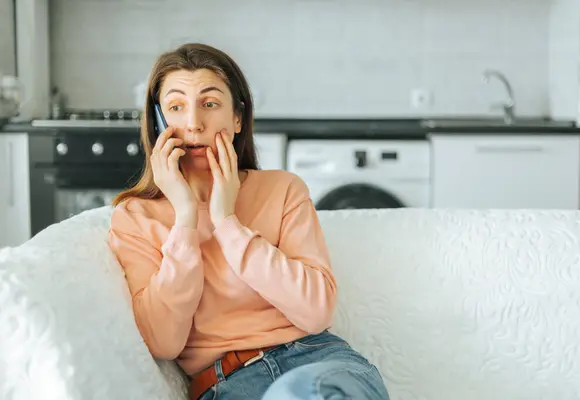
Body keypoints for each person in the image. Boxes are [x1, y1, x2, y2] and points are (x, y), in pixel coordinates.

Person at [108, 42, 390, 400]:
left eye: (210, 104)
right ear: (159, 123)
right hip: (228, 383)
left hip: (321, 362)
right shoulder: (135, 217)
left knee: (300, 393)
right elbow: (163, 341)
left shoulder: (283, 189)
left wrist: (227, 223)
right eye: (176, 107)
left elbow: (316, 311)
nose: (194, 123)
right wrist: (185, 220)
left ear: (237, 118)